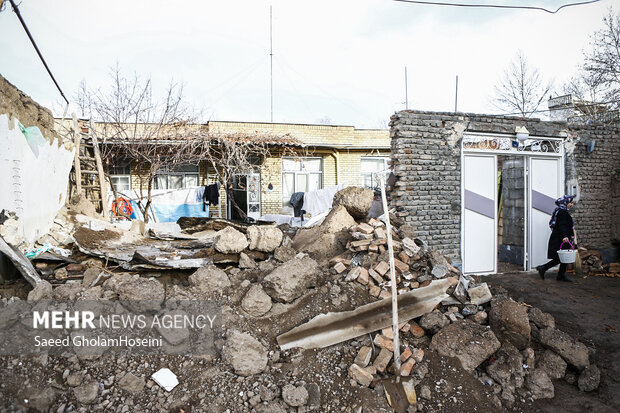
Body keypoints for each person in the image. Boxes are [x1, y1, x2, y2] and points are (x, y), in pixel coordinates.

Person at [536, 195, 575, 282]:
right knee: (561, 257)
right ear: (565, 202)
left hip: (562, 236)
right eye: (570, 203)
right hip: (561, 237)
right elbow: (562, 225)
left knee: (564, 257)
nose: (572, 204)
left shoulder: (562, 211)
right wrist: (565, 236)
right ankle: (543, 268)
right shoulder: (562, 212)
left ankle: (560, 275)